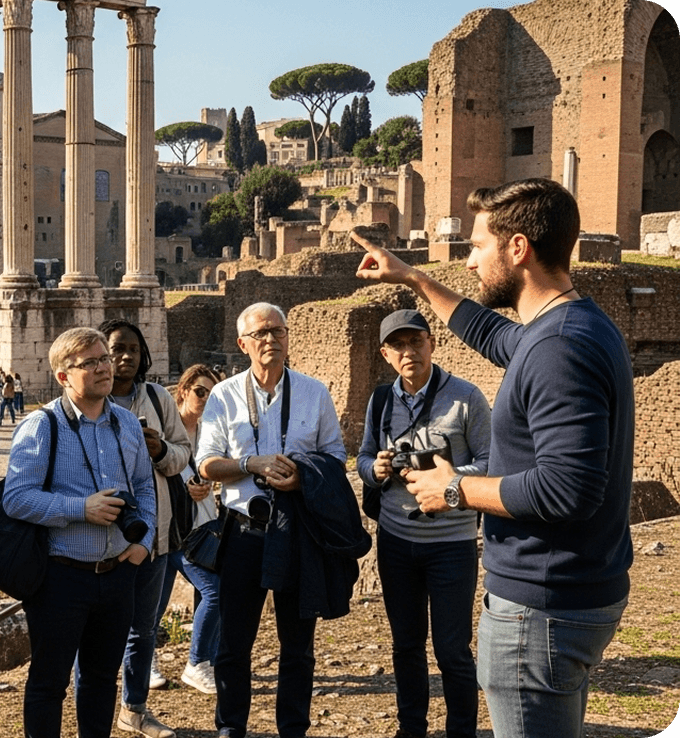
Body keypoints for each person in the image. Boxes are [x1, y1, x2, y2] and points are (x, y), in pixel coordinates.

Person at [353, 177, 635, 738]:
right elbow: (489, 333)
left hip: (543, 607)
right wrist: (410, 276)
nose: (469, 261)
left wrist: (454, 489)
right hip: (568, 594)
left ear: (517, 249)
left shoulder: (559, 347)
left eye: (477, 246)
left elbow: (568, 489)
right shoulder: (567, 325)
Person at [196, 302, 348, 738]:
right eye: (260, 334)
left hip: (297, 530)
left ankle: (293, 730)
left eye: (277, 331)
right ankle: (230, 728)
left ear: (287, 336)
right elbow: (206, 463)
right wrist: (251, 464)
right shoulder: (224, 395)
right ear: (243, 344)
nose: (270, 340)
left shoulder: (314, 392)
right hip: (244, 532)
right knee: (233, 645)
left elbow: (335, 457)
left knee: (298, 646)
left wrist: (303, 477)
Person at [3, 327, 156, 738]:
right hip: (61, 575)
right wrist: (81, 509)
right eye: (90, 362)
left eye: (104, 358)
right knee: (50, 683)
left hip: (118, 571)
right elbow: (16, 498)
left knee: (102, 679)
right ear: (63, 376)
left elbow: (144, 485)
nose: (105, 367)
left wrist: (144, 541)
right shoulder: (41, 425)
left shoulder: (125, 422)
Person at [356, 308, 492, 738]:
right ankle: (411, 728)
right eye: (398, 345)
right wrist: (375, 470)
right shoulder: (380, 401)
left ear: (433, 343)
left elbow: (491, 463)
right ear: (385, 354)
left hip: (451, 543)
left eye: (416, 342)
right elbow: (361, 458)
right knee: (406, 645)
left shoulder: (467, 398)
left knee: (453, 650)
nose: (409, 351)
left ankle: (461, 732)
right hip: (396, 542)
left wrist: (449, 478)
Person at [97, 319, 191, 738]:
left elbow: (183, 454)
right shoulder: (87, 403)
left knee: (144, 628)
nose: (126, 357)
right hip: (103, 538)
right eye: (117, 349)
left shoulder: (158, 398)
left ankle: (133, 708)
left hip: (158, 533)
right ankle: (94, 708)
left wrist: (159, 450)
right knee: (97, 628)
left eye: (134, 349)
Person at [153, 364, 222, 695]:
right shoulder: (166, 428)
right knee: (162, 599)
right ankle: (192, 663)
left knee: (206, 592)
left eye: (212, 392)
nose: (206, 397)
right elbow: (153, 474)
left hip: (198, 526)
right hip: (168, 526)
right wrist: (185, 491)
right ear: (182, 391)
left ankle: (202, 661)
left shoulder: (210, 430)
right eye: (200, 391)